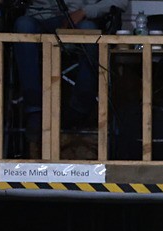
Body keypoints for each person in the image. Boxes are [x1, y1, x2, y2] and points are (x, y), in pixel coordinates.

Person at [12, 0, 128, 149]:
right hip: (39, 19)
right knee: (23, 25)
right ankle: (35, 110)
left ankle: (80, 107)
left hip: (82, 19)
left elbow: (121, 2)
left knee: (89, 29)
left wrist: (85, 11)